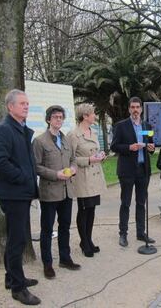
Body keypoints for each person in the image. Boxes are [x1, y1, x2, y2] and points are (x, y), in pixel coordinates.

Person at [0, 89, 41, 305]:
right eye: (22, 103)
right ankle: (18, 289)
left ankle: (12, 278)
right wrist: (22, 178)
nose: (26, 106)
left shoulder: (21, 129)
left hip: (22, 193)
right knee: (17, 240)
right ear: (10, 107)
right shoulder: (4, 130)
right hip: (13, 194)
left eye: (27, 103)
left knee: (16, 238)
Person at [32, 105, 81, 280]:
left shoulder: (66, 139)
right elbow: (36, 167)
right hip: (49, 193)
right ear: (48, 120)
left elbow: (73, 159)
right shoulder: (39, 141)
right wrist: (55, 174)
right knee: (47, 229)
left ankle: (65, 258)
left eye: (61, 117)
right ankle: (47, 264)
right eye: (55, 117)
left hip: (67, 192)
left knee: (65, 227)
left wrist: (73, 169)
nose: (58, 120)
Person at [110, 96, 156, 247]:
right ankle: (123, 234)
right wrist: (129, 147)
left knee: (141, 203)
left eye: (138, 107)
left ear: (141, 109)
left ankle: (141, 233)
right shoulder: (121, 126)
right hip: (127, 171)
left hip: (143, 170)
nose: (135, 110)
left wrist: (151, 148)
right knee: (126, 203)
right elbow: (114, 146)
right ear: (129, 109)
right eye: (133, 107)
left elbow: (151, 145)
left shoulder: (147, 126)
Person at [67, 104, 107, 257]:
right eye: (93, 113)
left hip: (95, 176)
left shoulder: (93, 132)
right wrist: (89, 159)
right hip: (83, 178)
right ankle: (84, 242)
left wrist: (100, 156)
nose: (95, 115)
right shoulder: (73, 135)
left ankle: (88, 240)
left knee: (91, 210)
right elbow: (70, 158)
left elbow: (94, 151)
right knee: (84, 211)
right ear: (85, 116)